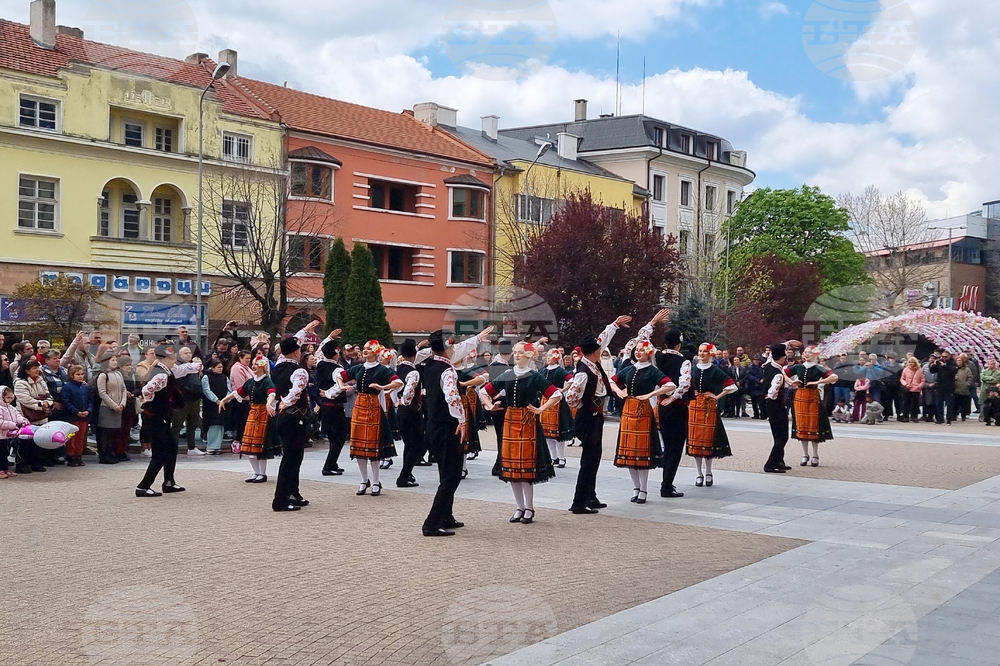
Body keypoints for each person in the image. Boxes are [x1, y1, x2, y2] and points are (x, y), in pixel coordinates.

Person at [479, 342, 562, 524]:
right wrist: (489, 405)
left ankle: (529, 508)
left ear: (529, 355)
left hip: (528, 422)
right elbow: (484, 391)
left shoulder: (535, 376)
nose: (516, 355)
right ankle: (519, 507)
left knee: (526, 468)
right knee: (512, 468)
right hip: (510, 421)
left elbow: (556, 394)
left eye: (520, 353)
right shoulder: (507, 374)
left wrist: (541, 410)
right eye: (515, 352)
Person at [564, 315, 631, 514]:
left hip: (595, 415)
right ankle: (578, 502)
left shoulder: (591, 360)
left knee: (594, 458)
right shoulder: (584, 371)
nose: (601, 348)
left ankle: (590, 497)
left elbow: (603, 339)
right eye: (598, 348)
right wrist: (584, 405)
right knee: (589, 460)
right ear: (595, 352)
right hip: (588, 417)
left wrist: (615, 325)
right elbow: (570, 397)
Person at [421, 330, 475, 537]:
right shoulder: (447, 370)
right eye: (452, 346)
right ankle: (431, 523)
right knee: (452, 475)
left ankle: (446, 515)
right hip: (447, 425)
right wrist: (462, 420)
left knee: (446, 470)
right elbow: (452, 396)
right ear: (447, 347)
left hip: (434, 424)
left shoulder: (430, 363)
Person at [610, 340, 675, 504]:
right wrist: (619, 391)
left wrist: (650, 395)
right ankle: (636, 487)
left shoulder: (652, 371)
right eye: (637, 350)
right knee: (630, 453)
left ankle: (644, 488)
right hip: (628, 410)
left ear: (648, 353)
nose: (638, 352)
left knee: (642, 452)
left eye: (641, 350)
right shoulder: (629, 369)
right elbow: (611, 381)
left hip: (644, 411)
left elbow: (670, 385)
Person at [135, 344, 202, 497]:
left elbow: (184, 369)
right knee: (160, 452)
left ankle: (169, 482)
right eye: (172, 358)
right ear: (165, 359)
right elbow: (146, 389)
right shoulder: (161, 375)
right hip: (155, 417)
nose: (175, 360)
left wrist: (197, 364)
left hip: (161, 417)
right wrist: (149, 401)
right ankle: (143, 486)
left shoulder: (167, 370)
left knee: (171, 448)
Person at [340, 340, 404, 497]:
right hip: (359, 406)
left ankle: (376, 481)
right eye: (364, 348)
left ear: (376, 351)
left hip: (374, 408)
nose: (365, 351)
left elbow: (398, 382)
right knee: (359, 447)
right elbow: (339, 375)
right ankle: (364, 479)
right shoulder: (359, 368)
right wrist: (341, 385)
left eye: (368, 349)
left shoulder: (382, 370)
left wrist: (383, 387)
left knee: (373, 446)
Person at [268, 337, 313, 512]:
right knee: (290, 460)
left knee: (295, 457)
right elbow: (296, 390)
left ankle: (293, 493)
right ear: (296, 352)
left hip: (285, 418)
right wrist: (286, 401)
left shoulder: (279, 365)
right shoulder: (299, 371)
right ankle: (280, 500)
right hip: (294, 417)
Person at [687, 343, 737, 487]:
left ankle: (708, 472)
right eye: (700, 351)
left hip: (709, 407)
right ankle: (698, 473)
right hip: (695, 407)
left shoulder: (715, 370)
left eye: (705, 351)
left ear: (710, 354)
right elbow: (684, 385)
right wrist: (691, 393)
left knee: (708, 441)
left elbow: (731, 386)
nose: (702, 353)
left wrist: (717, 396)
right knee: (696, 443)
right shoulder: (693, 370)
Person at [222, 356, 277, 483]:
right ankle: (256, 472)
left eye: (256, 364)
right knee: (249, 445)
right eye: (252, 364)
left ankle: (262, 474)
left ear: (263, 366)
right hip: (253, 414)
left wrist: (269, 403)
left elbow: (272, 393)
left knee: (260, 445)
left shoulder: (267, 381)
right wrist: (225, 399)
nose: (253, 366)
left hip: (263, 414)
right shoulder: (251, 381)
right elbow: (239, 392)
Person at [788, 346, 838, 468]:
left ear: (815, 354)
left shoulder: (818, 368)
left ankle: (815, 455)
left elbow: (834, 377)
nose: (807, 354)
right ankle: (805, 455)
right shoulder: (798, 367)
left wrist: (817, 382)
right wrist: (791, 382)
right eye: (805, 352)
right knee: (802, 426)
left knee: (813, 426)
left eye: (809, 353)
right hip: (800, 397)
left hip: (813, 397)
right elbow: (782, 373)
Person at [317, 336, 351, 477]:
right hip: (335, 406)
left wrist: (329, 337)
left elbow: (319, 351)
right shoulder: (337, 369)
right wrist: (330, 393)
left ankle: (333, 463)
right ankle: (329, 465)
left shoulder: (320, 364)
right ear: (336, 354)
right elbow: (339, 385)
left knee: (333, 436)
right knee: (339, 437)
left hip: (325, 406)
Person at [540, 346, 576, 469]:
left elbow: (571, 379)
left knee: (558, 433)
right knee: (548, 433)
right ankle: (553, 457)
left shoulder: (560, 370)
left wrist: (563, 389)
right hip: (545, 401)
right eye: (547, 356)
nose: (548, 358)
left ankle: (562, 457)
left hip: (557, 402)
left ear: (556, 358)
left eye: (550, 356)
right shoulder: (544, 371)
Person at [763, 343, 794, 474]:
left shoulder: (769, 365)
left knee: (778, 435)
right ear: (783, 357)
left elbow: (771, 355)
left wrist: (787, 343)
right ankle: (770, 464)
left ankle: (779, 461)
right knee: (782, 436)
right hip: (776, 406)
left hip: (771, 406)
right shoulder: (778, 374)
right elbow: (772, 393)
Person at [171, 346, 205, 455]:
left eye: (190, 352)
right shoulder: (178, 366)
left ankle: (191, 447)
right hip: (182, 399)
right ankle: (173, 447)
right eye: (186, 353)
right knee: (177, 425)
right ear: (180, 355)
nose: (189, 354)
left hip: (194, 399)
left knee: (192, 424)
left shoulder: (193, 366)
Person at [96, 350, 127, 465]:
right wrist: (114, 405)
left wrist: (122, 403)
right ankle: (104, 455)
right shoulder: (103, 375)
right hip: (107, 407)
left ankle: (111, 452)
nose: (115, 362)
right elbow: (102, 393)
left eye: (115, 360)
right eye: (112, 360)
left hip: (119, 407)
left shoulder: (118, 374)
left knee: (114, 432)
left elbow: (123, 389)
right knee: (106, 432)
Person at [487, 339, 513, 476]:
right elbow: (502, 388)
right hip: (501, 404)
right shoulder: (503, 367)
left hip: (496, 404)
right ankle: (499, 465)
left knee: (501, 435)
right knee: (503, 435)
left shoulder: (494, 365)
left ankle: (500, 463)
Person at [61, 365, 91, 466]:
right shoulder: (67, 387)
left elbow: (90, 401)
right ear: (72, 375)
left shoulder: (86, 387)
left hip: (84, 416)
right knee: (71, 438)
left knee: (80, 437)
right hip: (72, 416)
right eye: (78, 374)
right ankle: (71, 456)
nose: (80, 376)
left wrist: (88, 410)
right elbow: (66, 401)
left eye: (82, 374)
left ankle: (79, 455)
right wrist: (76, 412)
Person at [201, 358, 231, 454]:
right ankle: (211, 446)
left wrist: (225, 400)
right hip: (211, 406)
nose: (220, 369)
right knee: (213, 425)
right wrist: (216, 400)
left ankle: (217, 446)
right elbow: (206, 390)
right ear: (212, 367)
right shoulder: (206, 377)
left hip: (223, 405)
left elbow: (229, 389)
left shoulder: (224, 377)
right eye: (218, 367)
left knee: (220, 425)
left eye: (221, 367)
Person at [228, 350, 254, 453]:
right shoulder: (237, 368)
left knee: (247, 423)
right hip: (241, 399)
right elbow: (241, 386)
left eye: (249, 358)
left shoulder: (247, 368)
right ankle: (237, 441)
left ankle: (245, 442)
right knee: (241, 422)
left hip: (249, 399)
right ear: (240, 358)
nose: (248, 360)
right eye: (246, 358)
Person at [0, 386, 28, 478]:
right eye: (7, 397)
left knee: (7, 452)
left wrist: (23, 420)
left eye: (11, 397)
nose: (10, 400)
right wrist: (13, 425)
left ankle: (5, 468)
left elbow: (17, 416)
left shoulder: (11, 407)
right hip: (1, 436)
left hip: (9, 435)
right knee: (1, 453)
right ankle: (1, 469)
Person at [934, 351, 958, 425]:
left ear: (949, 356)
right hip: (940, 386)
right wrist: (934, 365)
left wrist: (944, 365)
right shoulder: (940, 362)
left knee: (949, 404)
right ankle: (940, 419)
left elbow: (953, 370)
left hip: (949, 387)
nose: (944, 358)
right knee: (939, 403)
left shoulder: (953, 363)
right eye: (943, 356)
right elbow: (932, 371)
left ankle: (949, 419)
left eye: (946, 357)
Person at [899, 357, 925, 423]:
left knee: (915, 404)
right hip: (908, 388)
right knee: (906, 403)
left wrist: (919, 386)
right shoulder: (905, 369)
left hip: (916, 389)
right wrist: (906, 384)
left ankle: (914, 417)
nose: (910, 364)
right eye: (909, 362)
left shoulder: (919, 370)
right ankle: (905, 416)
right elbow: (902, 379)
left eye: (912, 362)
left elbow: (922, 380)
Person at [954, 354, 975, 422]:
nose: (959, 362)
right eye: (957, 360)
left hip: (964, 389)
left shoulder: (967, 369)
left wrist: (967, 384)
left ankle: (964, 415)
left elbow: (970, 377)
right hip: (955, 388)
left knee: (964, 404)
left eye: (960, 360)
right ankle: (954, 415)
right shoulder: (954, 368)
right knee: (955, 403)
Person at [747, 355, 765, 419]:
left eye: (757, 360)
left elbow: (765, 374)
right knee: (754, 401)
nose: (756, 361)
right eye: (755, 360)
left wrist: (763, 379)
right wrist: (756, 380)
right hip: (753, 385)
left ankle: (763, 414)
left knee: (761, 402)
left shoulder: (762, 367)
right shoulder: (750, 367)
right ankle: (756, 414)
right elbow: (748, 375)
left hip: (761, 386)